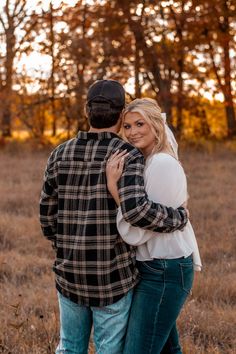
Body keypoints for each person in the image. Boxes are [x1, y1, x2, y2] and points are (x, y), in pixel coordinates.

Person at [39, 80, 189, 354]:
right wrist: (178, 217)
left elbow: (47, 219)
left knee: (70, 347)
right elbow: (136, 211)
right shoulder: (127, 155)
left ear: (87, 111)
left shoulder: (59, 153)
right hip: (113, 277)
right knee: (109, 348)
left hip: (69, 272)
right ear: (121, 116)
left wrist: (68, 249)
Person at [106, 98, 202, 354]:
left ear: (156, 126)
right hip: (152, 267)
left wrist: (114, 190)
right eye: (127, 126)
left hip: (165, 269)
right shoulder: (145, 162)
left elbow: (138, 229)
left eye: (140, 124)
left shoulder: (161, 163)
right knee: (167, 350)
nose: (133, 131)